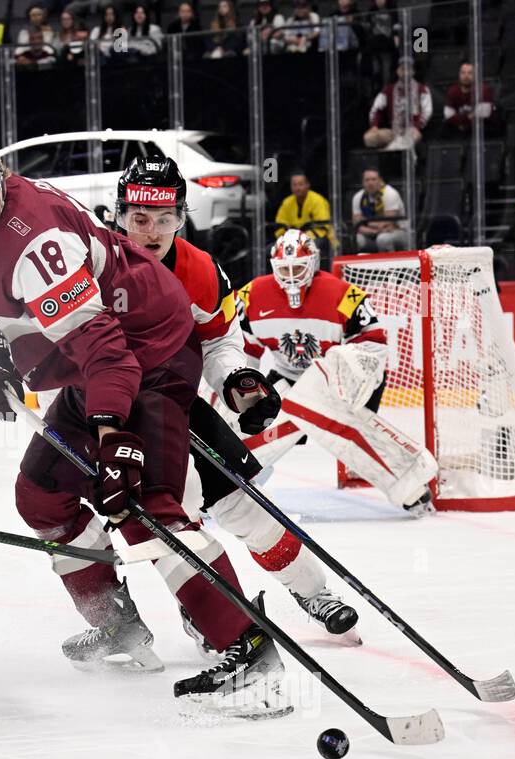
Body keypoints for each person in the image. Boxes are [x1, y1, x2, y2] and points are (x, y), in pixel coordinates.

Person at [0, 118, 288, 714]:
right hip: (89, 366)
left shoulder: (36, 243)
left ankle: (248, 650)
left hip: (150, 352)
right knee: (41, 497)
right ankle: (116, 625)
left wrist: (116, 437)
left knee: (143, 505)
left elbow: (107, 352)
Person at [112, 157, 358, 636]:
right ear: (119, 215)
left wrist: (241, 379)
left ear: (182, 217)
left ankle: (312, 592)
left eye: (165, 218)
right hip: (114, 417)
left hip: (179, 403)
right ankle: (205, 613)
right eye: (140, 219)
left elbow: (218, 342)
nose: (152, 231)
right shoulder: (97, 264)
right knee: (174, 515)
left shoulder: (200, 270)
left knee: (246, 506)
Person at [231, 231, 437, 514]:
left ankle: (409, 478)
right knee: (264, 415)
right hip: (288, 378)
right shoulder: (251, 296)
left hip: (340, 377)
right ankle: (230, 474)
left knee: (316, 403)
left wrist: (341, 377)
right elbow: (242, 354)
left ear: (313, 264)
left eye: (298, 268)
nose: (291, 276)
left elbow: (373, 344)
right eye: (285, 269)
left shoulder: (342, 294)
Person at [364, 58, 432, 150]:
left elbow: (427, 112)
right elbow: (376, 109)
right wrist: (374, 126)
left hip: (413, 132)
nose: (406, 73)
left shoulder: (422, 90)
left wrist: (417, 127)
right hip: (393, 132)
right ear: (398, 71)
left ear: (413, 72)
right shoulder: (388, 90)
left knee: (410, 138)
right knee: (369, 138)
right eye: (403, 69)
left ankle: (393, 149)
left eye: (408, 69)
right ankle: (393, 146)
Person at [351, 167, 410, 251]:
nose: (370, 183)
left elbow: (387, 223)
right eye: (367, 180)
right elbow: (357, 225)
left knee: (383, 239)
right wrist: (373, 231)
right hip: (372, 233)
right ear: (363, 183)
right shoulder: (358, 197)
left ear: (380, 181)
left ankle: (391, 264)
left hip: (398, 231)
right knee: (357, 239)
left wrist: (365, 221)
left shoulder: (390, 193)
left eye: (373, 179)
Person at [441, 60, 498, 138]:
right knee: (444, 129)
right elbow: (448, 116)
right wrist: (468, 117)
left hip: (481, 129)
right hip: (459, 128)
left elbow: (483, 115)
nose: (466, 76)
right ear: (459, 75)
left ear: (475, 75)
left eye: (470, 73)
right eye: (463, 73)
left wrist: (461, 120)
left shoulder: (483, 90)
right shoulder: (452, 91)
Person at [274, 171, 332, 243]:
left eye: (300, 184)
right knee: (270, 250)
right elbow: (280, 225)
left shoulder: (317, 200)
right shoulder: (287, 202)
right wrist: (288, 237)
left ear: (308, 185)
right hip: (292, 241)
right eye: (294, 185)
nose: (297, 188)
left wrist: (302, 238)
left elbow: (323, 226)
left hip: (315, 239)